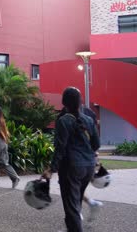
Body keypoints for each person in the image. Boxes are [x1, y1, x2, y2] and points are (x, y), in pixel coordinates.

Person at [42, 87, 100, 232]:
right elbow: (96, 145)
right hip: (88, 167)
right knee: (76, 202)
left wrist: (51, 169)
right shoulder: (88, 119)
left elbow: (60, 148)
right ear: (80, 102)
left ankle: (74, 228)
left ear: (64, 102)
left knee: (71, 207)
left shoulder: (63, 121)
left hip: (71, 168)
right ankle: (71, 228)